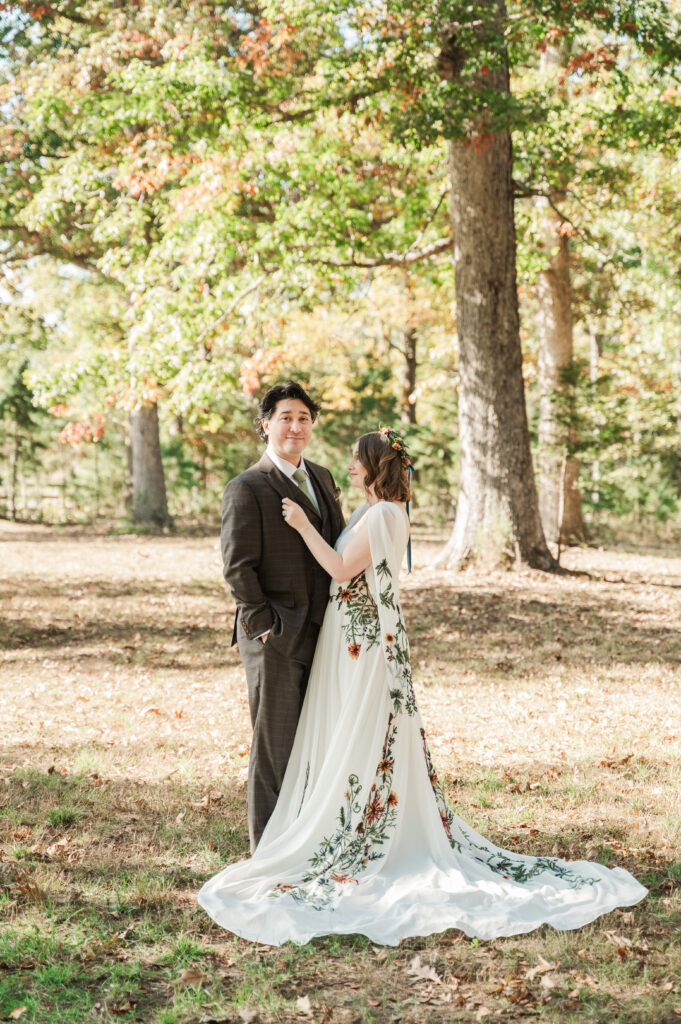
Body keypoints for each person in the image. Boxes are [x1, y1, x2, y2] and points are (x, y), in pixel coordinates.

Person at [200, 428, 646, 945]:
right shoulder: (371, 511)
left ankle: (358, 832)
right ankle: (329, 823)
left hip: (364, 644)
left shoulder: (386, 514)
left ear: (375, 465)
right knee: (345, 736)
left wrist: (302, 525)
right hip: (350, 638)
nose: (346, 466)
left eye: (355, 459)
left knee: (363, 735)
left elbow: (343, 568)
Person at [220, 381, 345, 852]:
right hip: (275, 638)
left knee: (319, 742)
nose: (295, 426)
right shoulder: (247, 487)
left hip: (326, 633)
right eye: (286, 417)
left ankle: (309, 844)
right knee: (274, 750)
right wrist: (266, 625)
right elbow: (237, 568)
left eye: (304, 418)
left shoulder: (324, 477)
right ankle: (267, 852)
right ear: (266, 424)